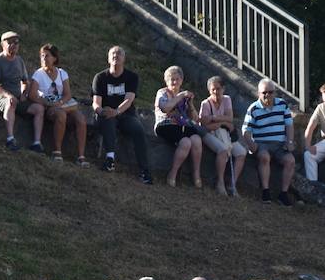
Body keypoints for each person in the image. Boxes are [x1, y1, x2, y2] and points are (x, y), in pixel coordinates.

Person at [91, 45, 153, 183]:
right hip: (106, 113)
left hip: (125, 114)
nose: (116, 55)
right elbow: (96, 102)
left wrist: (117, 111)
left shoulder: (132, 77)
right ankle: (110, 160)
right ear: (108, 58)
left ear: (124, 59)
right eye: (113, 53)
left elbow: (129, 100)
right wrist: (101, 111)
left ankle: (144, 170)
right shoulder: (100, 77)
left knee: (138, 130)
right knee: (108, 120)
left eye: (119, 53)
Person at [241, 78, 298, 206]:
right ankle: (265, 191)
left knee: (290, 161)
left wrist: (289, 141)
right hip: (262, 143)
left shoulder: (282, 104)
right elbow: (245, 130)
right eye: (264, 92)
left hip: (279, 144)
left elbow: (289, 125)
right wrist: (252, 145)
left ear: (275, 93)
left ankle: (283, 194)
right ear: (259, 93)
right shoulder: (253, 108)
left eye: (270, 92)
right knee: (264, 157)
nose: (267, 95)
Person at [27, 43, 85, 163]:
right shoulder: (38, 74)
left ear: (54, 58)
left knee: (80, 118)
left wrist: (61, 102)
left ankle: (81, 156)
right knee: (61, 115)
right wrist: (48, 104)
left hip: (61, 104)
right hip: (49, 106)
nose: (44, 58)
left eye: (47, 56)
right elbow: (32, 95)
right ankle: (57, 151)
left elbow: (68, 93)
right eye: (42, 56)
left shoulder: (62, 73)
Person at [0, 31, 42, 151]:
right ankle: (10, 139)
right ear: (3, 45)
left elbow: (25, 82)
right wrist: (8, 95)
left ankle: (36, 143)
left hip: (17, 96)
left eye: (16, 42)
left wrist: (23, 94)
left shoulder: (19, 61)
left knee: (39, 109)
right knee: (10, 103)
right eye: (10, 42)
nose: (14, 45)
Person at [153, 65, 204, 188]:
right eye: (172, 79)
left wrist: (190, 104)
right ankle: (173, 173)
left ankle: (196, 174)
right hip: (165, 124)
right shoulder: (162, 92)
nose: (175, 82)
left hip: (182, 126)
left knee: (196, 140)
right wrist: (180, 96)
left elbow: (195, 118)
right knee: (186, 142)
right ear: (166, 81)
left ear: (181, 80)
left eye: (177, 79)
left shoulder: (184, 97)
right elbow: (165, 108)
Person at [198, 76, 247, 196]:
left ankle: (232, 183)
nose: (215, 92)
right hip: (209, 133)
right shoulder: (205, 104)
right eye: (212, 89)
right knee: (223, 150)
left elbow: (230, 118)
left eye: (218, 89)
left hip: (224, 132)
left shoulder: (227, 100)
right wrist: (222, 122)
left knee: (241, 152)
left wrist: (215, 119)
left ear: (223, 89)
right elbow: (203, 125)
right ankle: (220, 182)